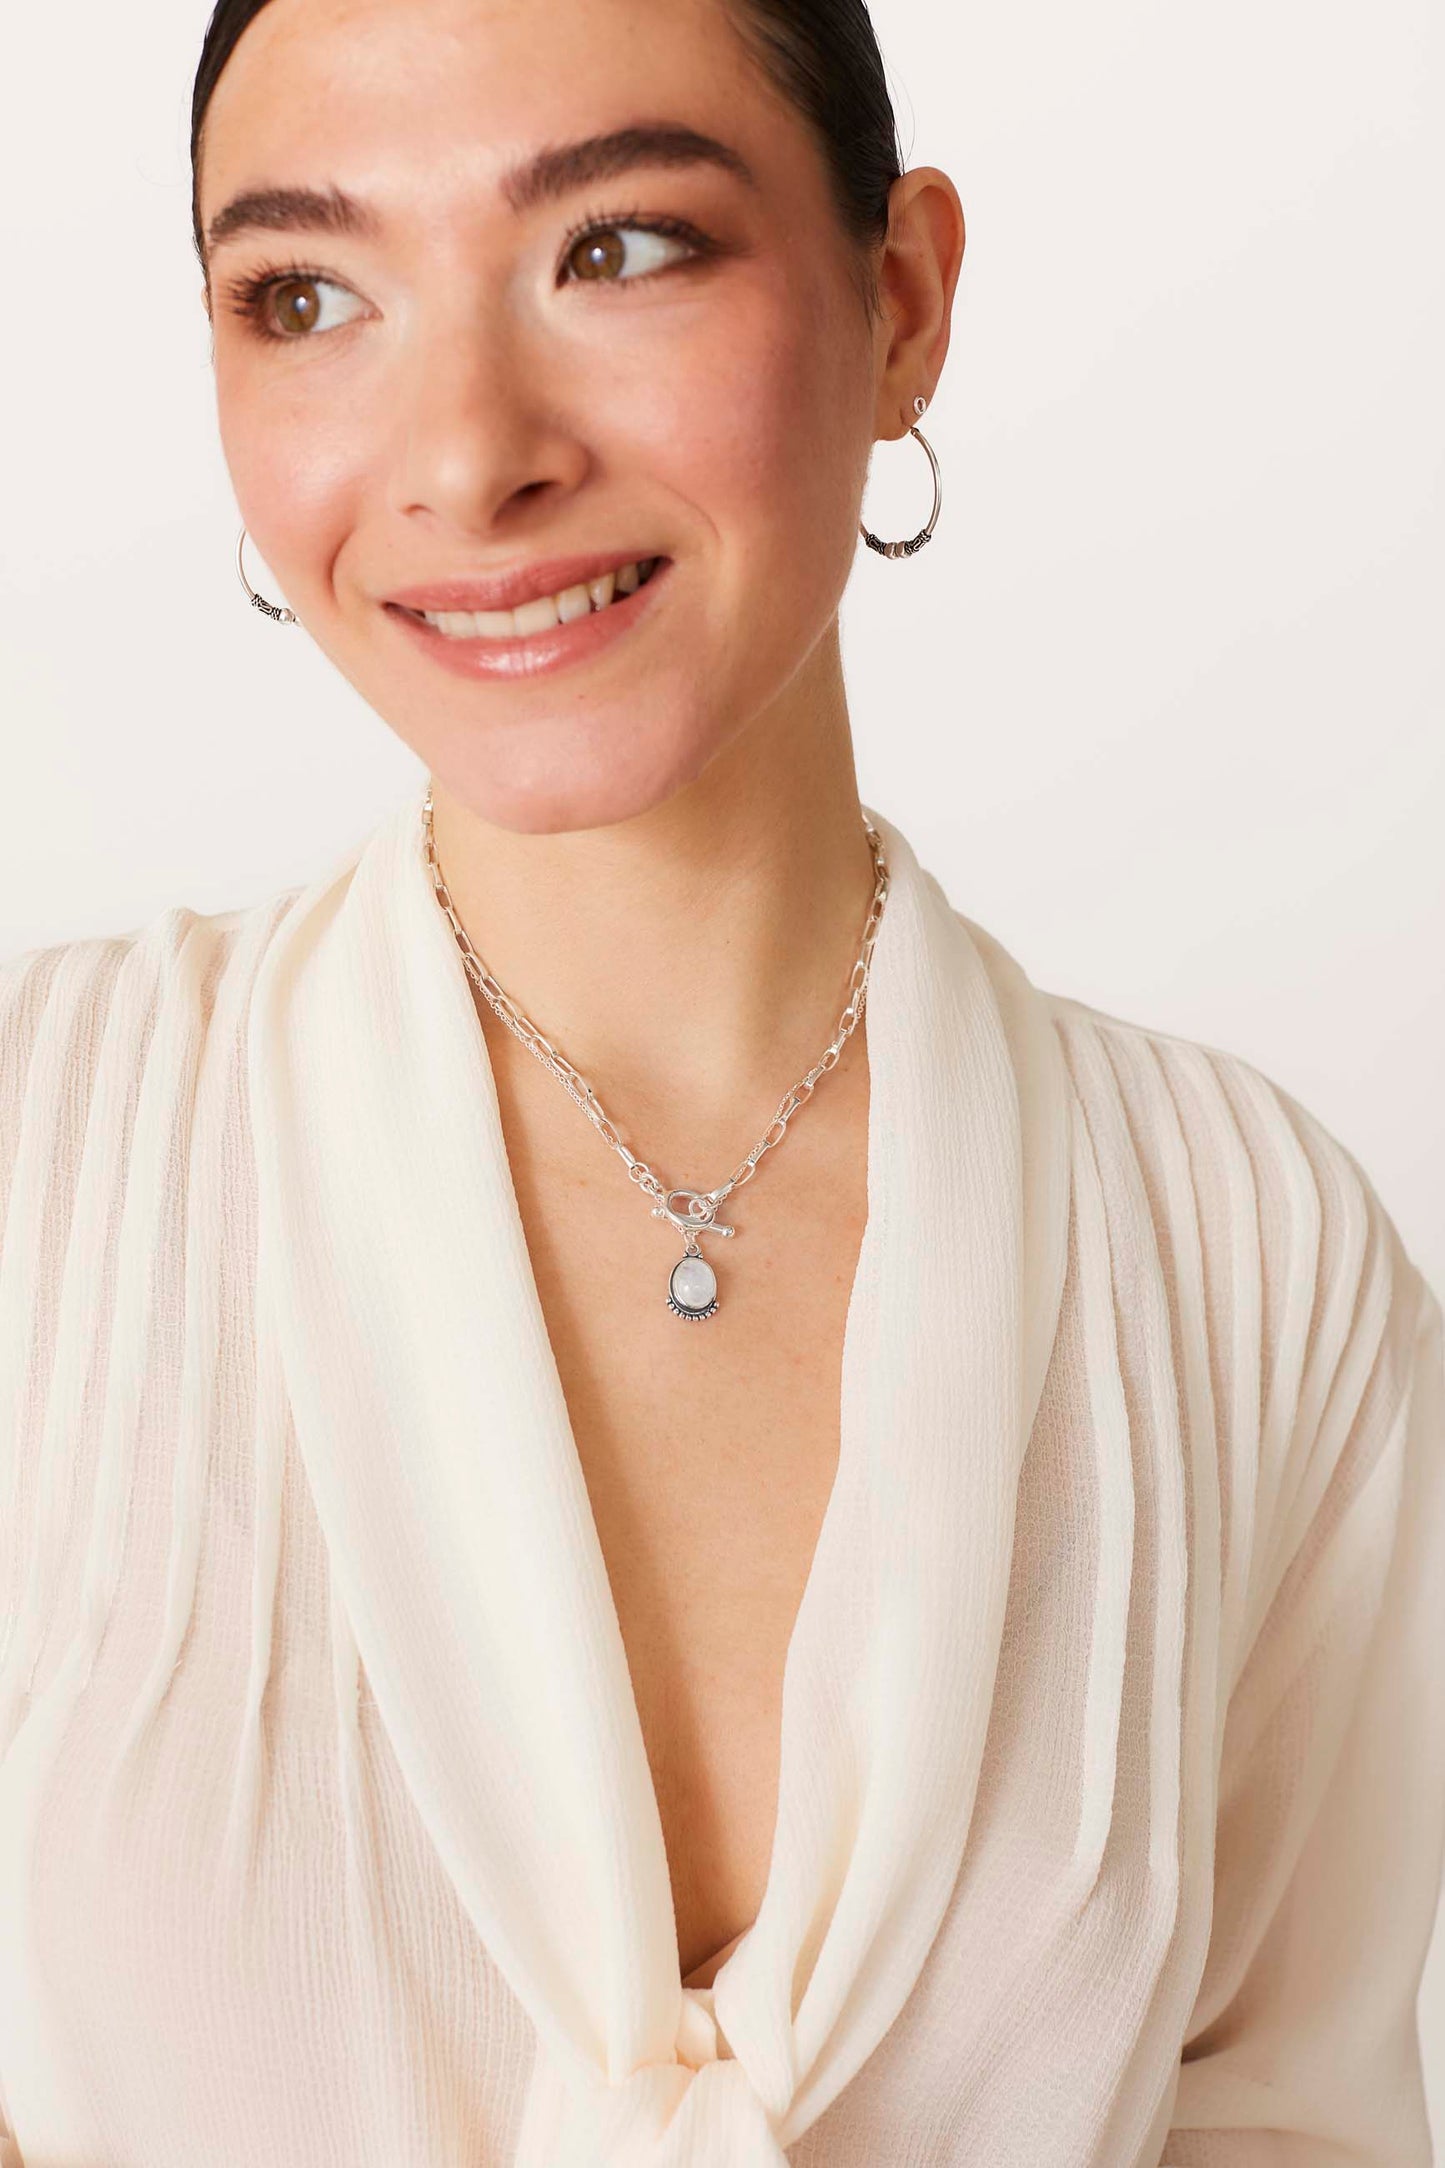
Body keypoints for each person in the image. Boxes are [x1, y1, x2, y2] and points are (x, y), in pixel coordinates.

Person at [0, 0, 1441, 2160]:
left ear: (902, 303)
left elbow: (1298, 2116)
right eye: (306, 295)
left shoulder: (1248, 1257)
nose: (467, 453)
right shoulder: (47, 1164)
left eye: (619, 248)